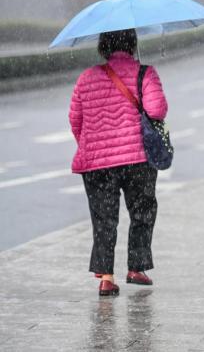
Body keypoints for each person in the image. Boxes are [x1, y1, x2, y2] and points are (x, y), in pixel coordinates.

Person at [69, 28, 168, 296]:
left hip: (97, 164)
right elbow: (157, 110)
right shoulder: (145, 73)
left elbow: (76, 120)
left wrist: (93, 145)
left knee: (103, 219)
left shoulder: (86, 78)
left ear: (103, 47)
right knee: (142, 211)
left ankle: (106, 278)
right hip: (137, 159)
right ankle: (137, 267)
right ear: (133, 44)